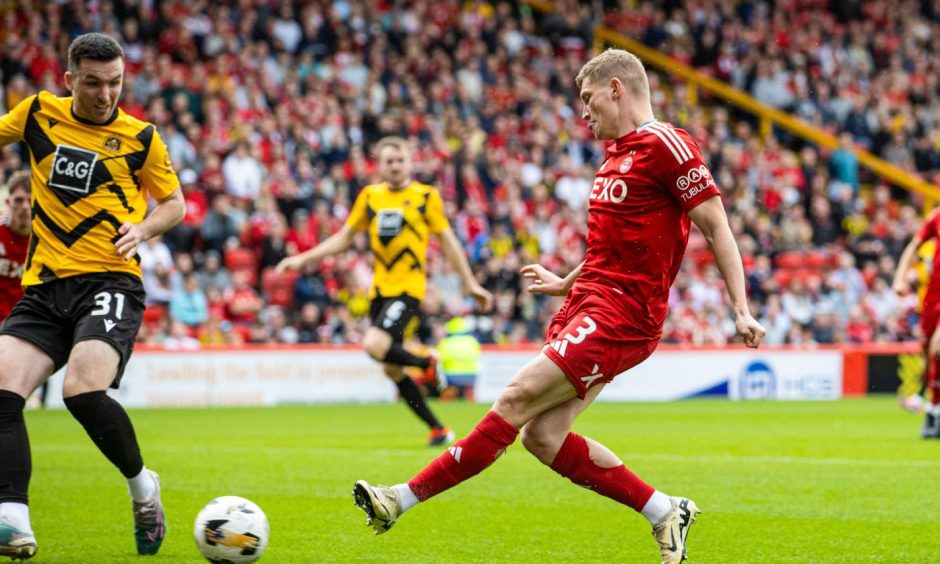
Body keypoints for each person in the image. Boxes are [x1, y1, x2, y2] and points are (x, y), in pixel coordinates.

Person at [352, 49, 765, 564]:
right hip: (587, 301)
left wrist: (740, 308)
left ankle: (399, 499)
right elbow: (611, 248)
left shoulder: (667, 145)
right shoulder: (616, 154)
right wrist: (565, 282)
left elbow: (716, 225)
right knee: (543, 437)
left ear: (616, 88)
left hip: (622, 315)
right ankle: (665, 511)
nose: (584, 113)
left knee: (516, 397)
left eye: (589, 100)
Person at [0, 33, 185, 560]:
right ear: (69, 80)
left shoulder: (142, 138)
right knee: (1, 391)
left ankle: (143, 487)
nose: (106, 95)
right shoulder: (37, 113)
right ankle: (12, 519)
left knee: (81, 391)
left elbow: (174, 203)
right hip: (45, 287)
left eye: (115, 83)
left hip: (111, 282)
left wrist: (144, 229)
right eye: (93, 83)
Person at [277, 136, 493, 446]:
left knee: (373, 345)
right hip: (379, 291)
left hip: (409, 290)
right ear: (379, 165)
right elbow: (345, 237)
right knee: (392, 369)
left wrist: (470, 283)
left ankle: (426, 363)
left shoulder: (425, 197)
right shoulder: (370, 197)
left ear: (410, 162)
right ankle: (438, 429)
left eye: (400, 160)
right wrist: (303, 259)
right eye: (388, 161)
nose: (395, 166)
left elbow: (448, 242)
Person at [892, 209, 940, 438]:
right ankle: (934, 410)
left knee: (938, 350)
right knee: (927, 353)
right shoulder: (935, 217)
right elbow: (913, 246)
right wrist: (900, 277)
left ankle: (933, 409)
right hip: (932, 298)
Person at [0, 171, 31, 323]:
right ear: (8, 202)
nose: (25, 206)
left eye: (31, 201)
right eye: (18, 200)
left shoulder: (47, 240)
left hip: (22, 324)